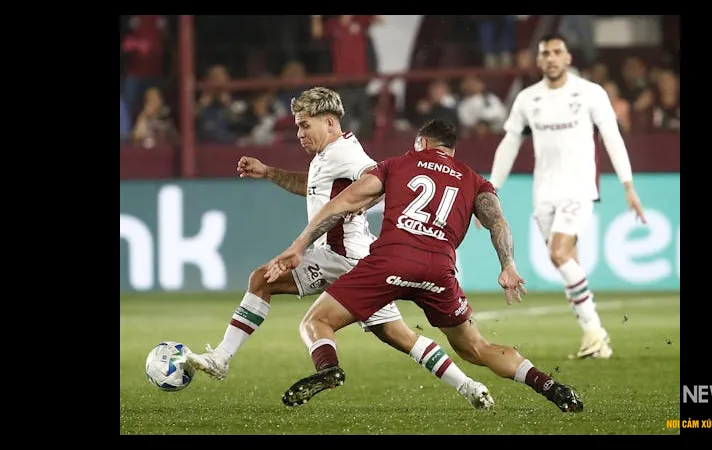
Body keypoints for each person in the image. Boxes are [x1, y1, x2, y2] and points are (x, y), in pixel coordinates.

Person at [187, 87, 494, 410]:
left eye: (305, 125)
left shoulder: (347, 153)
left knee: (263, 280)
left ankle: (230, 358)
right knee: (398, 335)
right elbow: (312, 186)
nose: (299, 133)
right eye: (297, 126)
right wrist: (270, 172)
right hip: (351, 258)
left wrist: (363, 202)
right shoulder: (327, 157)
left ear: (331, 122)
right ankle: (469, 386)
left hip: (343, 256)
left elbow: (379, 179)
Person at [265, 118, 584, 413]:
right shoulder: (474, 181)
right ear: (451, 150)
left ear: (422, 143)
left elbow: (342, 204)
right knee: (476, 347)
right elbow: (497, 221)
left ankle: (328, 368)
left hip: (391, 261)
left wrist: (299, 246)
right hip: (439, 271)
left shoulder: (397, 164)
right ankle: (551, 387)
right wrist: (508, 265)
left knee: (316, 321)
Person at [478, 33, 647, 360]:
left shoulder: (590, 93)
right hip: (543, 192)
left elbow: (612, 136)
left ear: (568, 57)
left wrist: (628, 185)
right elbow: (510, 142)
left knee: (558, 253)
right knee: (569, 262)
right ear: (539, 61)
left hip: (579, 188)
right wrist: (491, 188)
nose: (552, 58)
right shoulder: (528, 99)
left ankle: (595, 331)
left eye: (558, 52)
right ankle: (594, 339)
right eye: (546, 53)